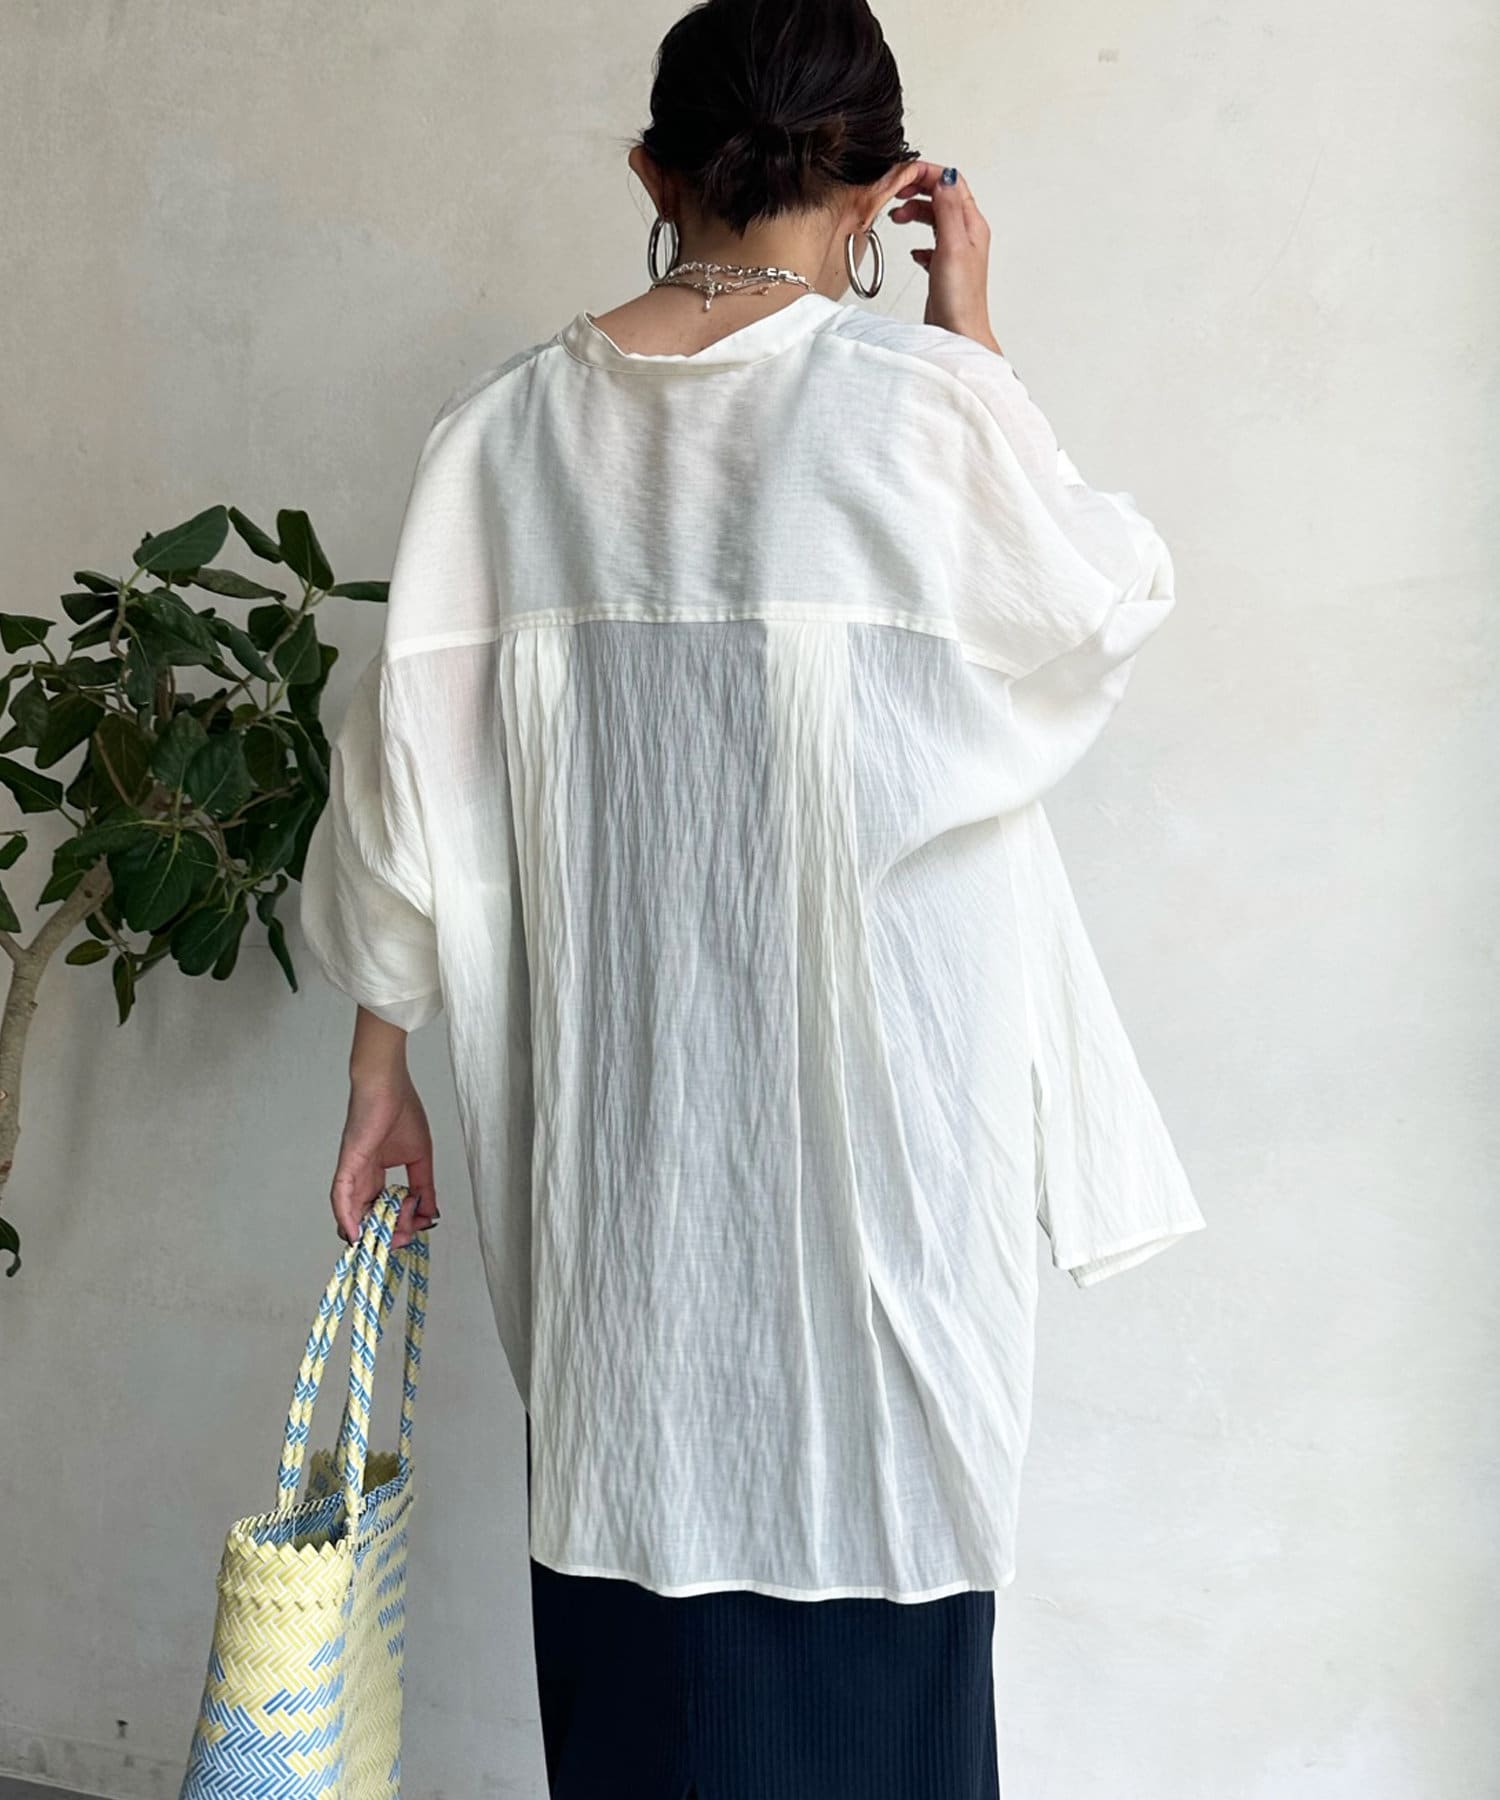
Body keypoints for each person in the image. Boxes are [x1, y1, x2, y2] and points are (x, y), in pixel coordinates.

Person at [298, 0, 1207, 1793]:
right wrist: (974, 339)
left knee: (641, 1602)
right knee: (887, 1610)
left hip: (624, 1180)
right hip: (888, 1163)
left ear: (655, 174)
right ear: (882, 187)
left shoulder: (496, 440)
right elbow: (1101, 599)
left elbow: (404, 782)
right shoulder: (925, 411)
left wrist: (379, 1071)